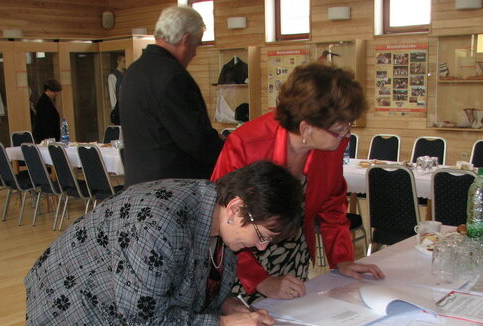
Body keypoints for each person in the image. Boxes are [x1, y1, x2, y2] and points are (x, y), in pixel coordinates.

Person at [25, 160, 303, 326]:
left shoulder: (216, 214)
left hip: (119, 307)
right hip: (76, 311)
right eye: (261, 236)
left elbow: (186, 277)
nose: (262, 247)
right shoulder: (159, 225)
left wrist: (226, 303)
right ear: (235, 208)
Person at [211, 63, 385, 303]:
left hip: (293, 253)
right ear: (306, 128)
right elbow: (221, 220)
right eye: (339, 128)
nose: (346, 135)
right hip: (242, 258)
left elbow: (332, 201)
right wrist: (261, 280)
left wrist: (343, 259)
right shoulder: (246, 144)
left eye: (348, 125)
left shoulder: (330, 145)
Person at [119, 6, 223, 187]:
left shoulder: (134, 71)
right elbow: (197, 142)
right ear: (186, 39)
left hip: (139, 183)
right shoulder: (173, 76)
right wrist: (226, 148)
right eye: (197, 44)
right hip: (172, 188)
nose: (195, 53)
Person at [32, 79, 62, 143]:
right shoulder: (44, 102)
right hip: (45, 137)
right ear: (48, 90)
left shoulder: (47, 100)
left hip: (49, 136)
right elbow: (46, 122)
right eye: (54, 92)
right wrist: (50, 137)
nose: (56, 94)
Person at [108, 54, 125, 125]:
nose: (125, 63)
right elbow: (112, 93)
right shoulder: (113, 75)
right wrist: (114, 109)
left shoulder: (126, 73)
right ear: (119, 62)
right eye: (124, 61)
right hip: (119, 106)